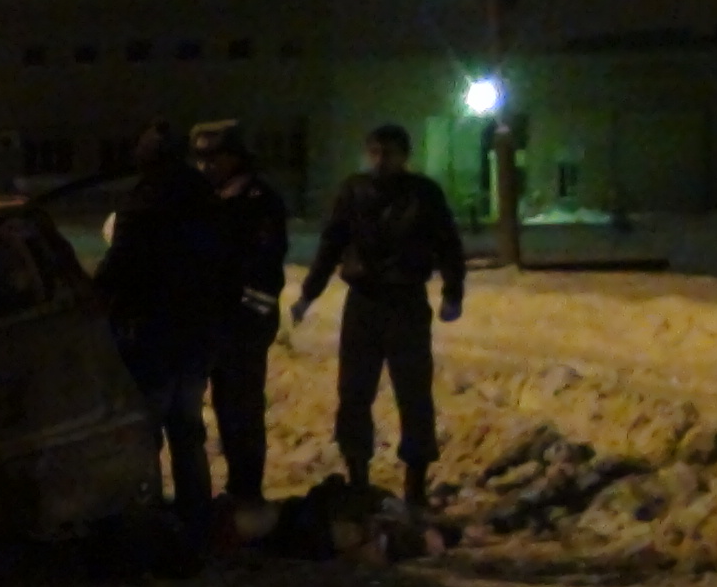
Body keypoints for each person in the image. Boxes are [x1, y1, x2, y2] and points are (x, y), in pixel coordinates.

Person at [292, 124, 467, 512]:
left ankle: (415, 484)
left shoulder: (423, 193)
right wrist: (309, 293)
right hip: (364, 301)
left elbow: (448, 245)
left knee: (414, 393)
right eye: (373, 152)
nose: (379, 160)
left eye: (387, 153)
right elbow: (331, 243)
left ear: (404, 156)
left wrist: (453, 293)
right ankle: (358, 478)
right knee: (354, 392)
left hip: (406, 302)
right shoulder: (354, 191)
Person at [94, 123, 218, 535]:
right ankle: (196, 515)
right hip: (194, 331)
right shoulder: (203, 195)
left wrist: (96, 297)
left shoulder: (143, 201)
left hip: (151, 332)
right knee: (188, 429)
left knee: (145, 432)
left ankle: (149, 520)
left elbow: (121, 264)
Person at [191, 121, 290, 506]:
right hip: (207, 321)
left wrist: (247, 320)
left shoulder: (258, 200)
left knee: (240, 412)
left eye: (214, 157)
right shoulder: (203, 198)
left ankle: (246, 491)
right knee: (208, 411)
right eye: (200, 158)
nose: (206, 166)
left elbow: (265, 269)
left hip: (242, 325)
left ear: (235, 157)